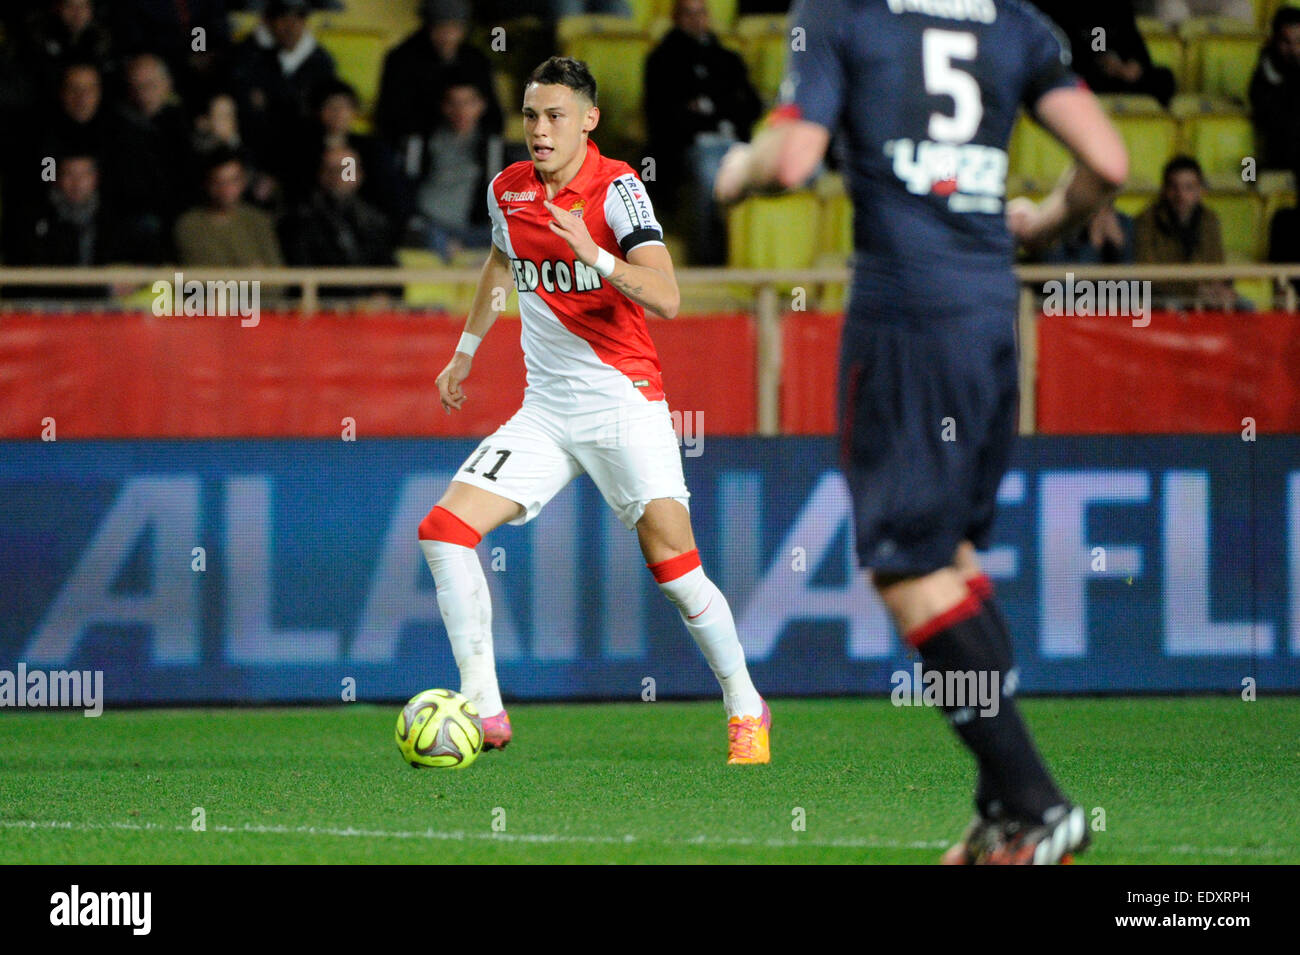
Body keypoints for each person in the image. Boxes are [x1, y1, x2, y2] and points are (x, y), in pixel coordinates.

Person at [715, 0, 1128, 862]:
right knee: (949, 559)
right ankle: (1006, 813)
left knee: (906, 570)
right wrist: (1046, 219)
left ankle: (1039, 802)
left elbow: (793, 160)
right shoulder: (1017, 22)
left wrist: (733, 170)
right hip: (990, 322)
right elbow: (1109, 161)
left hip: (907, 321)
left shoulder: (841, 15)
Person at [423, 56, 770, 764]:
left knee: (675, 566)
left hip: (623, 404)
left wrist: (597, 256)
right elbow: (501, 261)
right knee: (443, 530)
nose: (539, 130)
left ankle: (744, 703)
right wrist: (465, 349)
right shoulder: (507, 190)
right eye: (529, 115)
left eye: (554, 116)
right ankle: (484, 708)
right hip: (546, 413)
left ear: (589, 120)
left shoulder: (618, 190)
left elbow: (668, 296)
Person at [644, 0, 761, 263]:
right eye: (689, 14)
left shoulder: (728, 58)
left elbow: (751, 106)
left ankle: (754, 260)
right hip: (691, 147)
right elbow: (663, 115)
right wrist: (717, 110)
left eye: (701, 13)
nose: (696, 20)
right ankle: (708, 260)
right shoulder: (661, 60)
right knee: (710, 177)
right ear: (676, 18)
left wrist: (707, 109)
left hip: (736, 143)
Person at [374, 0, 501, 150]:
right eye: (441, 28)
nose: (448, 36)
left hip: (472, 144)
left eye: (455, 29)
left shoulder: (476, 59)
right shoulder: (402, 59)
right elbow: (390, 113)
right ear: (428, 28)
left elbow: (493, 113)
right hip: (414, 144)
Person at [407, 82, 504, 258]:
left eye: (468, 103)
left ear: (481, 106)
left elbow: (497, 190)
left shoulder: (490, 145)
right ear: (444, 107)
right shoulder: (424, 140)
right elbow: (408, 185)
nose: (461, 110)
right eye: (454, 103)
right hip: (430, 224)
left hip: (471, 228)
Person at [1134, 155, 1233, 308]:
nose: (1181, 195)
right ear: (1164, 190)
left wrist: (1221, 289)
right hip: (1162, 297)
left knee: (1244, 306)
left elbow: (1216, 266)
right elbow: (1148, 276)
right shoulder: (1145, 221)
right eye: (1174, 187)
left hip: (1204, 294)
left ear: (1200, 190)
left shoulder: (1210, 220)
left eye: (1189, 187)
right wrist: (1195, 291)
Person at [1034, 0, 1176, 107]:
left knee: (1163, 79)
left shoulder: (1119, 6)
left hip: (1122, 74)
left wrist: (1135, 65)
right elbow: (1087, 40)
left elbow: (1132, 40)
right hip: (1080, 71)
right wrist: (1103, 59)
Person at [174, 147, 284, 266]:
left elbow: (276, 273)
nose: (226, 189)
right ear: (207, 184)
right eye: (219, 182)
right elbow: (198, 277)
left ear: (243, 182)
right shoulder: (190, 225)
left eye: (233, 180)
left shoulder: (258, 221)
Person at [1250, 7, 1300, 178]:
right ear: (1274, 41)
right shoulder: (1264, 75)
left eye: (1299, 41)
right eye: (1286, 42)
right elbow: (1269, 116)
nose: (1294, 49)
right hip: (1280, 156)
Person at [1035, 199, 1134, 264]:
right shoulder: (1056, 223)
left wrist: (1120, 246)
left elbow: (1131, 287)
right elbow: (1063, 286)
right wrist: (1094, 244)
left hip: (1110, 294)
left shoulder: (1123, 222)